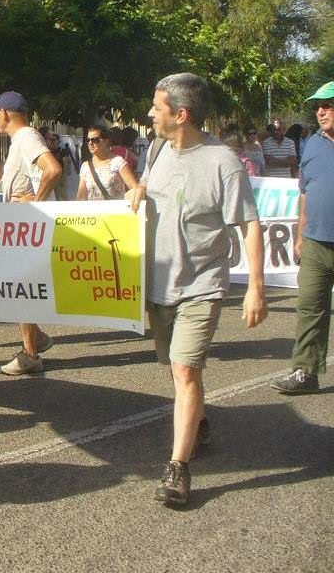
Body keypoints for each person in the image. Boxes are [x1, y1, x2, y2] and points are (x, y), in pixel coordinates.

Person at [129, 72, 267, 506]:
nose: (150, 113)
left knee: (186, 371)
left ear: (181, 114)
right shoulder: (158, 149)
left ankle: (177, 468)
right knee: (177, 368)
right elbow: (155, 189)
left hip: (202, 286)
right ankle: (199, 421)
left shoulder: (223, 162)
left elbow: (250, 225)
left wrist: (256, 288)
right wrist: (139, 192)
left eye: (157, 106)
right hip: (159, 284)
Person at [0, 91, 62, 374]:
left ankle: (31, 355)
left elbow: (53, 169)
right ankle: (35, 338)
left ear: (4, 113)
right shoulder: (18, 142)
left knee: (19, 289)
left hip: (27, 227)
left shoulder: (26, 137)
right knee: (15, 288)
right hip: (17, 226)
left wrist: (35, 203)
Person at [271, 82, 334, 395]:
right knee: (310, 308)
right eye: (317, 106)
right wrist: (299, 236)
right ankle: (305, 373)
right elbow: (304, 193)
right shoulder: (312, 144)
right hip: (315, 243)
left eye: (328, 104)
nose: (320, 111)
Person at [76, 124, 139, 200]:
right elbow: (81, 197)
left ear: (106, 141)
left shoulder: (118, 162)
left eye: (95, 140)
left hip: (114, 211)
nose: (90, 143)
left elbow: (135, 189)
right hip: (93, 211)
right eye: (88, 140)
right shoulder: (85, 166)